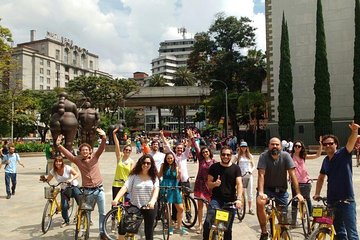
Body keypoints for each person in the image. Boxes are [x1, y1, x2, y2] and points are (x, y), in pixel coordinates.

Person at [56, 128, 108, 240]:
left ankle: (102, 232)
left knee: (102, 212)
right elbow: (69, 155)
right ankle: (86, 230)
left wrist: (104, 137)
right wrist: (59, 145)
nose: (85, 151)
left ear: (90, 151)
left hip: (99, 189)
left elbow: (102, 148)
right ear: (80, 152)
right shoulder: (78, 160)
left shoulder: (95, 157)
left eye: (86, 150)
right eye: (82, 150)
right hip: (88, 191)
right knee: (87, 213)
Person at [313, 121, 360, 239]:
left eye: (330, 143)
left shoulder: (344, 154)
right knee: (339, 233)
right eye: (325, 144)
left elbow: (350, 143)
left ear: (336, 144)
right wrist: (317, 193)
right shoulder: (325, 161)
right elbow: (321, 178)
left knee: (352, 234)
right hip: (332, 201)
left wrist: (354, 131)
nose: (328, 145)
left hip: (346, 201)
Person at [257, 137, 304, 240]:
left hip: (281, 191)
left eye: (277, 144)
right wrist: (261, 192)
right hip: (267, 190)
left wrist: (298, 193)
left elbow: (293, 175)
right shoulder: (264, 156)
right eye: (272, 144)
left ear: (281, 146)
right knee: (260, 202)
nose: (275, 146)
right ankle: (264, 231)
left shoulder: (286, 156)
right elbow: (261, 175)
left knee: (283, 222)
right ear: (269, 146)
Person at [112, 154, 159, 240]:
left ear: (151, 164)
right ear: (140, 163)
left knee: (149, 231)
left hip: (149, 206)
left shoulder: (154, 177)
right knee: (123, 225)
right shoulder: (133, 176)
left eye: (148, 163)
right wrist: (116, 198)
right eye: (144, 163)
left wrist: (152, 201)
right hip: (135, 205)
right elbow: (125, 187)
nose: (146, 165)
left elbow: (156, 190)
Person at [203, 145, 243, 240]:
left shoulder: (236, 168)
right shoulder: (214, 167)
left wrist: (239, 199)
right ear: (220, 155)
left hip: (230, 201)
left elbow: (239, 184)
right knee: (208, 223)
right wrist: (215, 184)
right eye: (223, 154)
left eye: (228, 155)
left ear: (231, 155)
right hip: (216, 200)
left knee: (227, 230)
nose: (226, 156)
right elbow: (208, 184)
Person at [187, 129, 216, 234]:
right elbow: (195, 147)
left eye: (206, 152)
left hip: (209, 186)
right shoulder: (201, 160)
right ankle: (199, 225)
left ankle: (208, 224)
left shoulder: (214, 162)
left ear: (209, 152)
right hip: (200, 184)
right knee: (199, 207)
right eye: (203, 152)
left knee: (209, 207)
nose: (205, 153)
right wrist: (191, 137)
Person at [40, 155, 81, 227]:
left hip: (73, 186)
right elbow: (48, 179)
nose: (58, 163)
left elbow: (77, 174)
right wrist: (44, 179)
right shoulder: (53, 171)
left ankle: (82, 217)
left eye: (59, 161)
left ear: (62, 162)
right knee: (64, 206)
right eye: (56, 162)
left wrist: (71, 179)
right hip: (64, 189)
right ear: (54, 163)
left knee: (81, 203)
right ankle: (66, 220)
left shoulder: (67, 168)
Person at [290, 138, 322, 215]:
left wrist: (321, 146)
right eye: (296, 146)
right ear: (293, 147)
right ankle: (293, 218)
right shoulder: (290, 156)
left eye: (299, 146)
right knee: (294, 199)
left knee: (307, 198)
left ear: (301, 148)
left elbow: (317, 155)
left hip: (305, 181)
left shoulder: (303, 156)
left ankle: (310, 214)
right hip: (295, 181)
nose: (297, 147)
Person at [158, 152, 188, 235]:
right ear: (166, 159)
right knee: (168, 209)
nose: (170, 160)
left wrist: (180, 173)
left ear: (173, 158)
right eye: (168, 158)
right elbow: (159, 175)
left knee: (181, 208)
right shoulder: (163, 165)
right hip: (165, 187)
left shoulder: (176, 166)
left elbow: (178, 178)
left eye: (171, 158)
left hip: (174, 188)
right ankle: (170, 226)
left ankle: (179, 227)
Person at [112, 127, 135, 203]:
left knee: (127, 204)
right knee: (116, 203)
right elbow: (117, 145)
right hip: (117, 184)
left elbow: (131, 173)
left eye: (129, 150)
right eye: (126, 150)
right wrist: (114, 134)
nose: (127, 151)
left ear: (131, 152)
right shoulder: (119, 158)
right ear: (123, 150)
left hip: (126, 185)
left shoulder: (132, 161)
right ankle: (114, 214)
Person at [234, 141, 255, 215]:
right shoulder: (237, 156)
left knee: (250, 192)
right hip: (240, 176)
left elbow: (253, 165)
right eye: (242, 147)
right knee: (241, 192)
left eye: (245, 147)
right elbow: (233, 164)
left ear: (247, 147)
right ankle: (241, 208)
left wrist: (251, 171)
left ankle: (250, 208)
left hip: (249, 175)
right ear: (240, 147)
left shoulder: (250, 155)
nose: (243, 148)